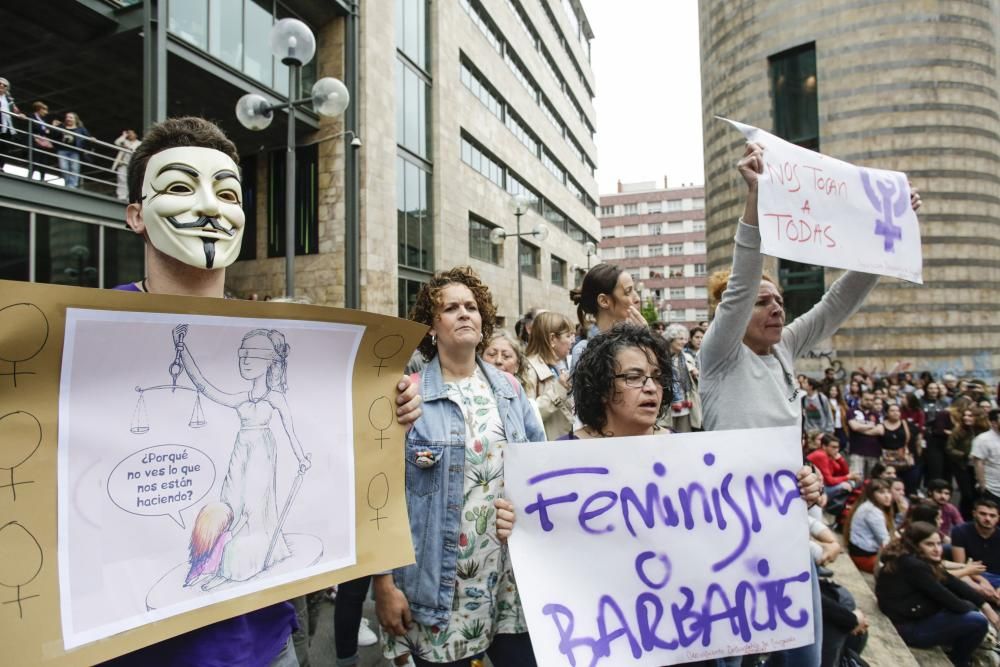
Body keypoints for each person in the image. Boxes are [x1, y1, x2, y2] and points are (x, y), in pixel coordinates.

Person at [106, 116, 422, 667]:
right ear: (136, 214)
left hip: (263, 644)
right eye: (180, 187)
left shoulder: (279, 342)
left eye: (227, 193)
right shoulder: (87, 336)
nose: (208, 207)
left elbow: (324, 444)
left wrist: (385, 416)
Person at [698, 141, 889, 665]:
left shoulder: (785, 346)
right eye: (763, 302)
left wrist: (884, 238)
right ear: (732, 315)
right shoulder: (718, 355)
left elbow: (837, 303)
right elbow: (738, 285)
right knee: (731, 657)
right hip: (728, 529)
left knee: (804, 655)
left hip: (784, 522)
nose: (776, 306)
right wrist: (754, 200)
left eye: (779, 299)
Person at [376, 266, 544, 667]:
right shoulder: (406, 394)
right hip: (440, 586)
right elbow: (380, 496)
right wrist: (383, 583)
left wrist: (523, 508)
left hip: (507, 579)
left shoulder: (510, 389)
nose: (464, 313)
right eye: (450, 308)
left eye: (471, 306)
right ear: (432, 326)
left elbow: (540, 471)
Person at [876, 522, 997, 667]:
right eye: (929, 544)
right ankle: (959, 662)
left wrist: (985, 606)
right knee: (978, 621)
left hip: (910, 617)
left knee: (970, 607)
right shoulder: (913, 565)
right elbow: (949, 600)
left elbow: (952, 581)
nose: (937, 549)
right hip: (907, 629)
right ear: (915, 544)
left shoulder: (913, 558)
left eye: (939, 544)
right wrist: (981, 613)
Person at [565, 323, 672, 439]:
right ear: (602, 388)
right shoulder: (565, 452)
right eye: (634, 377)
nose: (651, 388)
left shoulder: (682, 446)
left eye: (657, 377)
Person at [567, 263, 645, 369]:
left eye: (634, 290)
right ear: (604, 301)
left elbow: (670, 383)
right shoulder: (583, 351)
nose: (637, 298)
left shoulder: (637, 338)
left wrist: (646, 341)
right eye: (628, 292)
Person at [521, 311, 575, 439]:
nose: (572, 341)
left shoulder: (560, 365)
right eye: (568, 335)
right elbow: (528, 415)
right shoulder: (528, 369)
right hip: (545, 450)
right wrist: (558, 391)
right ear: (552, 339)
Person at [845, 479, 894, 573]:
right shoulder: (872, 511)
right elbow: (885, 540)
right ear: (872, 494)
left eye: (889, 492)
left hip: (861, 552)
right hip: (865, 557)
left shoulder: (868, 505)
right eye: (882, 492)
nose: (887, 496)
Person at [947, 406, 989, 518]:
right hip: (962, 465)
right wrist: (964, 455)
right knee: (967, 494)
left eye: (970, 415)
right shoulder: (959, 430)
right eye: (965, 415)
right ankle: (963, 518)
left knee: (978, 493)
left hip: (980, 467)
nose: (966, 418)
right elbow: (949, 448)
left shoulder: (986, 432)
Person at [952, 498, 1000, 589]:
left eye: (992, 516)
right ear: (974, 514)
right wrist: (982, 581)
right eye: (983, 514)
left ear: (998, 518)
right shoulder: (960, 531)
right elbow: (960, 565)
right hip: (972, 574)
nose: (987, 519)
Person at [807, 434, 859, 513]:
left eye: (838, 447)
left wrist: (840, 459)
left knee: (850, 483)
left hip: (823, 487)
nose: (837, 450)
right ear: (824, 446)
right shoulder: (820, 455)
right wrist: (848, 477)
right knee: (845, 486)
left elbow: (843, 473)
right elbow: (829, 481)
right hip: (815, 490)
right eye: (833, 447)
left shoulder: (829, 455)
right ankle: (832, 511)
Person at [663, 323, 700, 432]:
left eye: (685, 339)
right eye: (680, 339)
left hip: (685, 405)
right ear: (671, 339)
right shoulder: (662, 358)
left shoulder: (687, 358)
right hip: (667, 407)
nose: (684, 342)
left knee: (684, 438)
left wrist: (694, 373)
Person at [881, 403, 917, 493]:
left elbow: (916, 437)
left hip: (903, 458)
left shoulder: (906, 424)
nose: (895, 413)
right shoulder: (880, 425)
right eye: (892, 410)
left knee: (907, 482)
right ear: (887, 413)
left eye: (897, 410)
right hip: (887, 459)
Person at [848, 392, 885, 478]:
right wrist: (870, 426)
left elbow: (880, 431)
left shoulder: (876, 414)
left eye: (871, 400)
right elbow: (854, 426)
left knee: (872, 479)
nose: (869, 402)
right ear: (861, 399)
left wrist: (861, 429)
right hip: (857, 451)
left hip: (874, 452)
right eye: (866, 399)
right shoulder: (852, 411)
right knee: (857, 479)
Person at [972, 408, 1000, 505]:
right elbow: (978, 464)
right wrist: (983, 486)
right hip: (992, 490)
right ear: (993, 423)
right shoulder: (982, 439)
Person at [56, 111, 91, 188]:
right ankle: (69, 184)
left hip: (74, 151)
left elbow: (87, 138)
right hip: (62, 150)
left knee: (74, 168)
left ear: (75, 119)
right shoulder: (61, 126)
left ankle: (72, 185)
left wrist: (91, 139)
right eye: (67, 117)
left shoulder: (81, 129)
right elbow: (53, 134)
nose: (68, 119)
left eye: (70, 117)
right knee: (64, 167)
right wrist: (55, 126)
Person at [928, 478, 965, 544]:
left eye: (946, 493)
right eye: (939, 492)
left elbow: (961, 526)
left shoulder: (950, 508)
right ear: (930, 492)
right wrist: (943, 537)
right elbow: (925, 528)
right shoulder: (923, 507)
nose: (943, 496)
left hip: (943, 541)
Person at [0, 76, 25, 170]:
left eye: (4, 85)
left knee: (4, 147)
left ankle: (1, 167)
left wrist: (20, 114)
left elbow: (16, 111)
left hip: (6, 127)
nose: (2, 85)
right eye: (0, 84)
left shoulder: (9, 100)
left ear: (7, 88)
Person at [28, 100, 57, 180]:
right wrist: (45, 131)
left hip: (43, 143)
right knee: (35, 160)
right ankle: (30, 177)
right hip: (35, 141)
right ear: (39, 109)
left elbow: (47, 132)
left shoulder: (44, 121)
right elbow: (35, 127)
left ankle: (42, 178)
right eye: (44, 110)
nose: (46, 112)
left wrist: (51, 128)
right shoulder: (32, 116)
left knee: (43, 161)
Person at [112, 129, 141, 201]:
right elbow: (116, 142)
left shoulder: (139, 143)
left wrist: (128, 147)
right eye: (129, 134)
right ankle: (121, 197)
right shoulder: (124, 141)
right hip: (122, 164)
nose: (130, 135)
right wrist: (123, 136)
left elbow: (137, 150)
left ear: (136, 135)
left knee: (132, 181)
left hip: (133, 165)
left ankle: (129, 198)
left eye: (131, 133)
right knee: (121, 180)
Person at [825, 383, 850, 449]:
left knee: (843, 442)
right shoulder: (826, 401)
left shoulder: (842, 402)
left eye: (835, 390)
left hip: (841, 426)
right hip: (831, 427)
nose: (833, 392)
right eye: (832, 390)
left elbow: (847, 411)